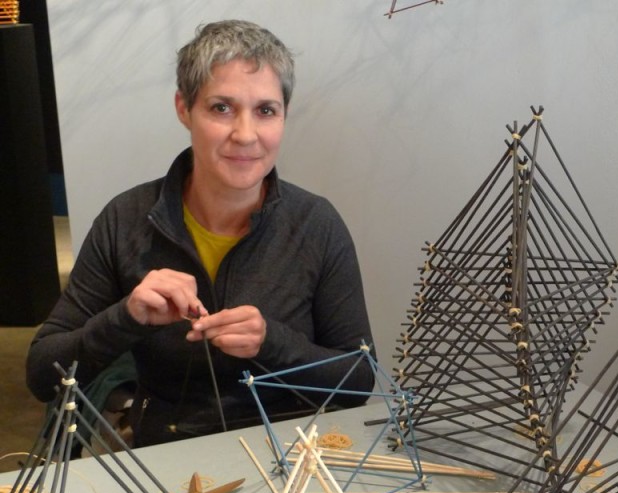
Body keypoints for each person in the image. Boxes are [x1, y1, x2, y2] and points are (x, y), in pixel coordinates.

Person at [26, 20, 375, 447]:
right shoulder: (126, 220)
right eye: (221, 108)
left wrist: (273, 344)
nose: (245, 134)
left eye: (266, 110)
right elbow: (43, 375)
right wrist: (126, 317)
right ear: (183, 108)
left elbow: (360, 379)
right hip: (168, 456)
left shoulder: (316, 224)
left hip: (294, 455)